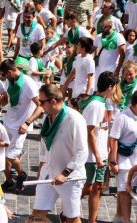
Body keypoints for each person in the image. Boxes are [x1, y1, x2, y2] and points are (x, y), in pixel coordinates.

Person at [31, 84, 88, 223]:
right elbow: (44, 146)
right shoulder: (47, 118)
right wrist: (41, 167)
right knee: (37, 215)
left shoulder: (74, 119)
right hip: (48, 174)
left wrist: (65, 173)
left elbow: (82, 151)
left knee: (71, 218)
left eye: (42, 102)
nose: (40, 105)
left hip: (70, 178)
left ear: (53, 101)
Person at [0, 59, 43, 193]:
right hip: (8, 121)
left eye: (5, 75)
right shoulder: (9, 80)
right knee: (3, 154)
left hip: (21, 126)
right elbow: (9, 101)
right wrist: (2, 101)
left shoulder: (28, 83)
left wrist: (28, 122)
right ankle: (9, 181)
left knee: (10, 157)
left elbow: (40, 106)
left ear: (10, 72)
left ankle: (21, 175)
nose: (5, 78)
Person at [80, 71, 118, 223]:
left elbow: (101, 130)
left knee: (97, 187)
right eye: (115, 87)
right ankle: (69, 213)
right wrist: (97, 156)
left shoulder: (102, 103)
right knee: (85, 187)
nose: (115, 90)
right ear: (110, 87)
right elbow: (89, 132)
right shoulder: (95, 105)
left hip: (101, 154)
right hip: (92, 156)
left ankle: (92, 220)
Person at [109, 91, 137, 223]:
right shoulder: (123, 117)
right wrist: (114, 161)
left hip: (135, 161)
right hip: (124, 161)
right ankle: (126, 220)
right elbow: (113, 138)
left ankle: (119, 216)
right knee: (125, 191)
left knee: (124, 190)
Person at [93, 18, 125, 83]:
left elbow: (122, 54)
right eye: (100, 27)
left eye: (103, 27)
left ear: (110, 26)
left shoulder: (118, 37)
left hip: (112, 69)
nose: (101, 29)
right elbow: (91, 49)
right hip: (99, 70)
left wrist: (118, 70)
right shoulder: (99, 37)